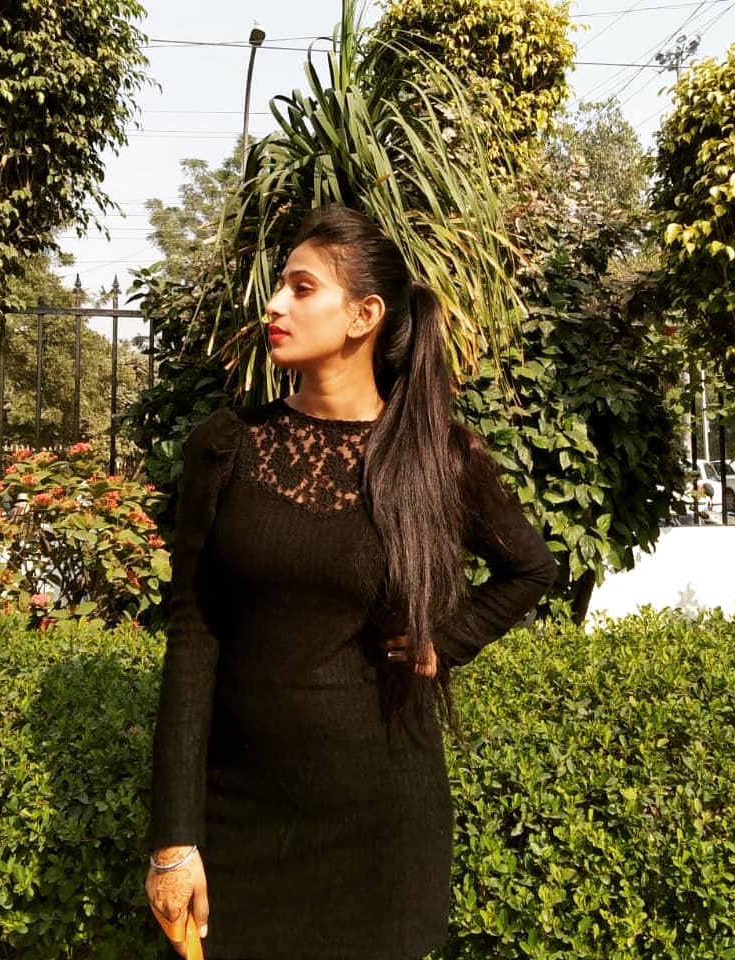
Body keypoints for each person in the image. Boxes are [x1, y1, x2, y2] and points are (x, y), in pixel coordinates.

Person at [145, 205, 556, 960]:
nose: (275, 304)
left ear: (364, 315)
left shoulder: (438, 458)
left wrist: (445, 642)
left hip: (385, 830)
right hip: (242, 822)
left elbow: (530, 568)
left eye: (302, 288)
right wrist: (174, 839)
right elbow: (193, 632)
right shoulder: (227, 448)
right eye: (280, 284)